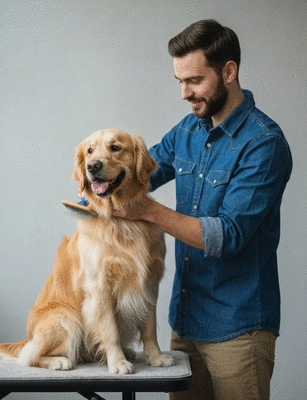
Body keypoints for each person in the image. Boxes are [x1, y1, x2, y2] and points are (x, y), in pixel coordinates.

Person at [112, 19, 292, 400]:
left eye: (194, 80)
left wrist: (148, 211)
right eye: (179, 81)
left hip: (239, 329)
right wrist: (95, 181)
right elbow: (143, 172)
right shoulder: (188, 130)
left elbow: (225, 236)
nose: (184, 93)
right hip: (185, 322)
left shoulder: (264, 144)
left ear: (229, 72)